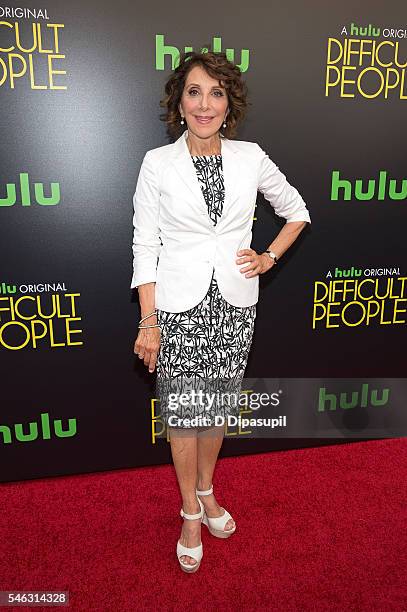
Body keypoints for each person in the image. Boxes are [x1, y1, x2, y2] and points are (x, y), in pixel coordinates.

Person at [131, 49, 311, 573]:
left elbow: (296, 211)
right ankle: (190, 511)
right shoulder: (156, 164)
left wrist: (269, 256)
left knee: (215, 412)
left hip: (234, 305)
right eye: (194, 92)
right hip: (178, 307)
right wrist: (148, 318)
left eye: (216, 93)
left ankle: (207, 491)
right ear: (179, 103)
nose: (204, 104)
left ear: (229, 104)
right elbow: (145, 245)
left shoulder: (250, 156)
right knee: (184, 417)